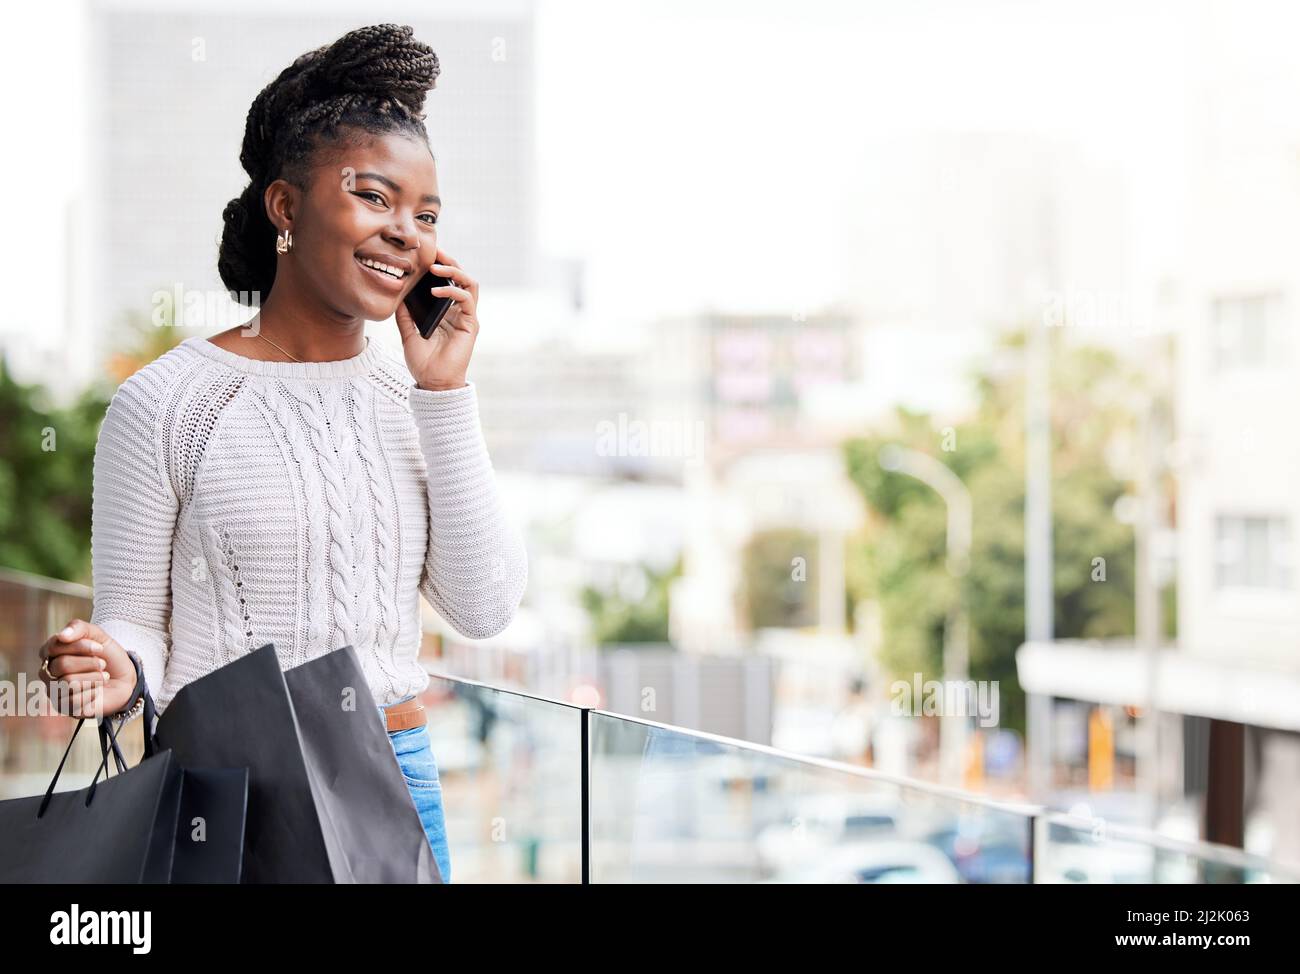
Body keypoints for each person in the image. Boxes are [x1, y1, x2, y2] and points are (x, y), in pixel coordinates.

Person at [33, 23, 528, 885]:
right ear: (287, 208)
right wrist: (114, 664)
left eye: (427, 215)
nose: (406, 233)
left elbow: (485, 607)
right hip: (230, 791)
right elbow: (136, 620)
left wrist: (444, 392)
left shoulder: (416, 401)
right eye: (375, 198)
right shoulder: (168, 403)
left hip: (396, 776)